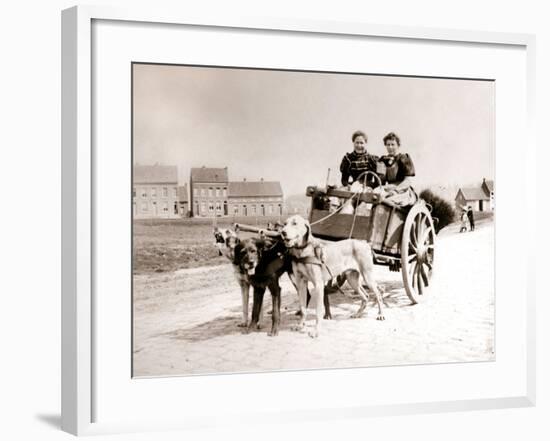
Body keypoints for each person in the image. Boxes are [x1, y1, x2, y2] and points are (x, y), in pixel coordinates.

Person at [376, 132, 417, 207]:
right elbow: (381, 182)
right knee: (375, 194)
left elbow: (408, 181)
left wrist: (395, 191)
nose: (390, 147)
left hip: (402, 190)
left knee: (387, 201)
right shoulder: (382, 160)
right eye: (388, 145)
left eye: (393, 144)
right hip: (388, 188)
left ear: (398, 145)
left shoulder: (404, 158)